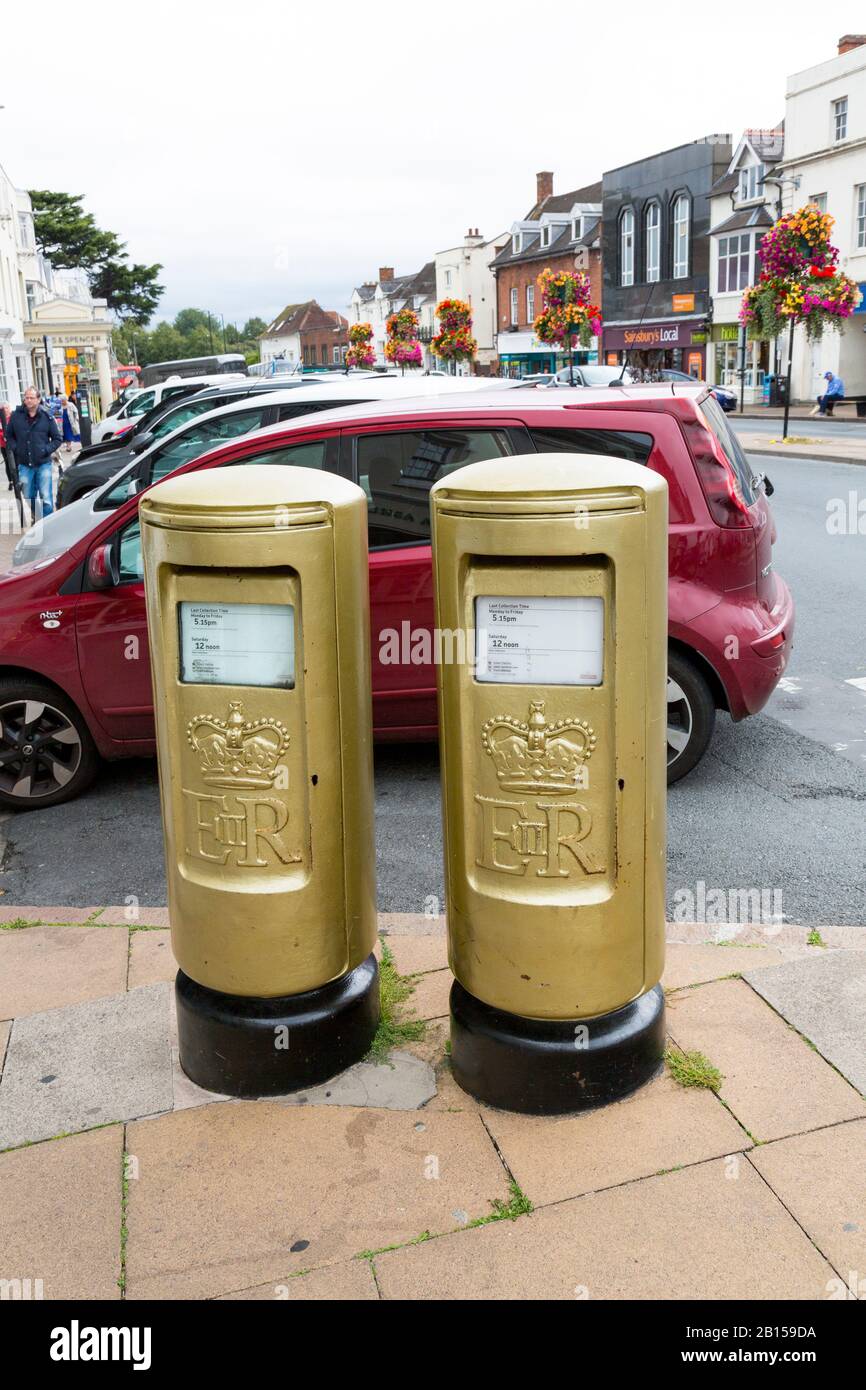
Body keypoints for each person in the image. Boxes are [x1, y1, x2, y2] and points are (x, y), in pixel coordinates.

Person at [5, 386, 62, 521]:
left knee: (46, 496)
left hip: (43, 464)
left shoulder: (47, 417)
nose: (28, 400)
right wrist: (16, 449)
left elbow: (57, 439)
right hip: (24, 464)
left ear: (38, 400)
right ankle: (37, 516)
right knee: (28, 495)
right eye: (26, 397)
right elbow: (9, 436)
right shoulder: (16, 416)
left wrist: (45, 450)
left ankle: (47, 524)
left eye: (31, 398)